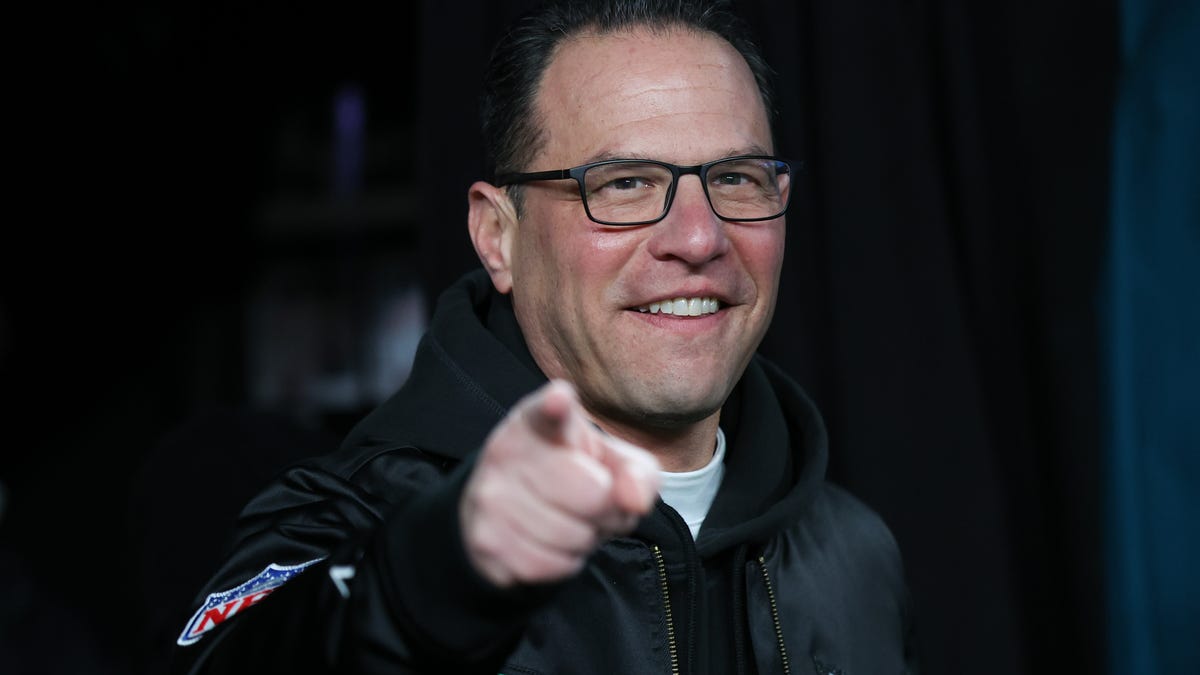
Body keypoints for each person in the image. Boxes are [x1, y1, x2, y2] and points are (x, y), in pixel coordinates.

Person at [170, 1, 917, 673]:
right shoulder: (354, 522)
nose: (699, 237)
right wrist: (426, 582)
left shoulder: (855, 553)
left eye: (737, 179)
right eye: (625, 183)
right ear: (498, 237)